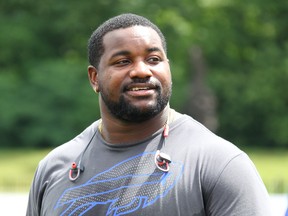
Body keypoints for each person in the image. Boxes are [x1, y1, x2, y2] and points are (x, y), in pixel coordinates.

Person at [26, 13, 272, 216]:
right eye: (123, 61)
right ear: (94, 78)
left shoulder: (218, 163)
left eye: (153, 59)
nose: (142, 71)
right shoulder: (54, 168)